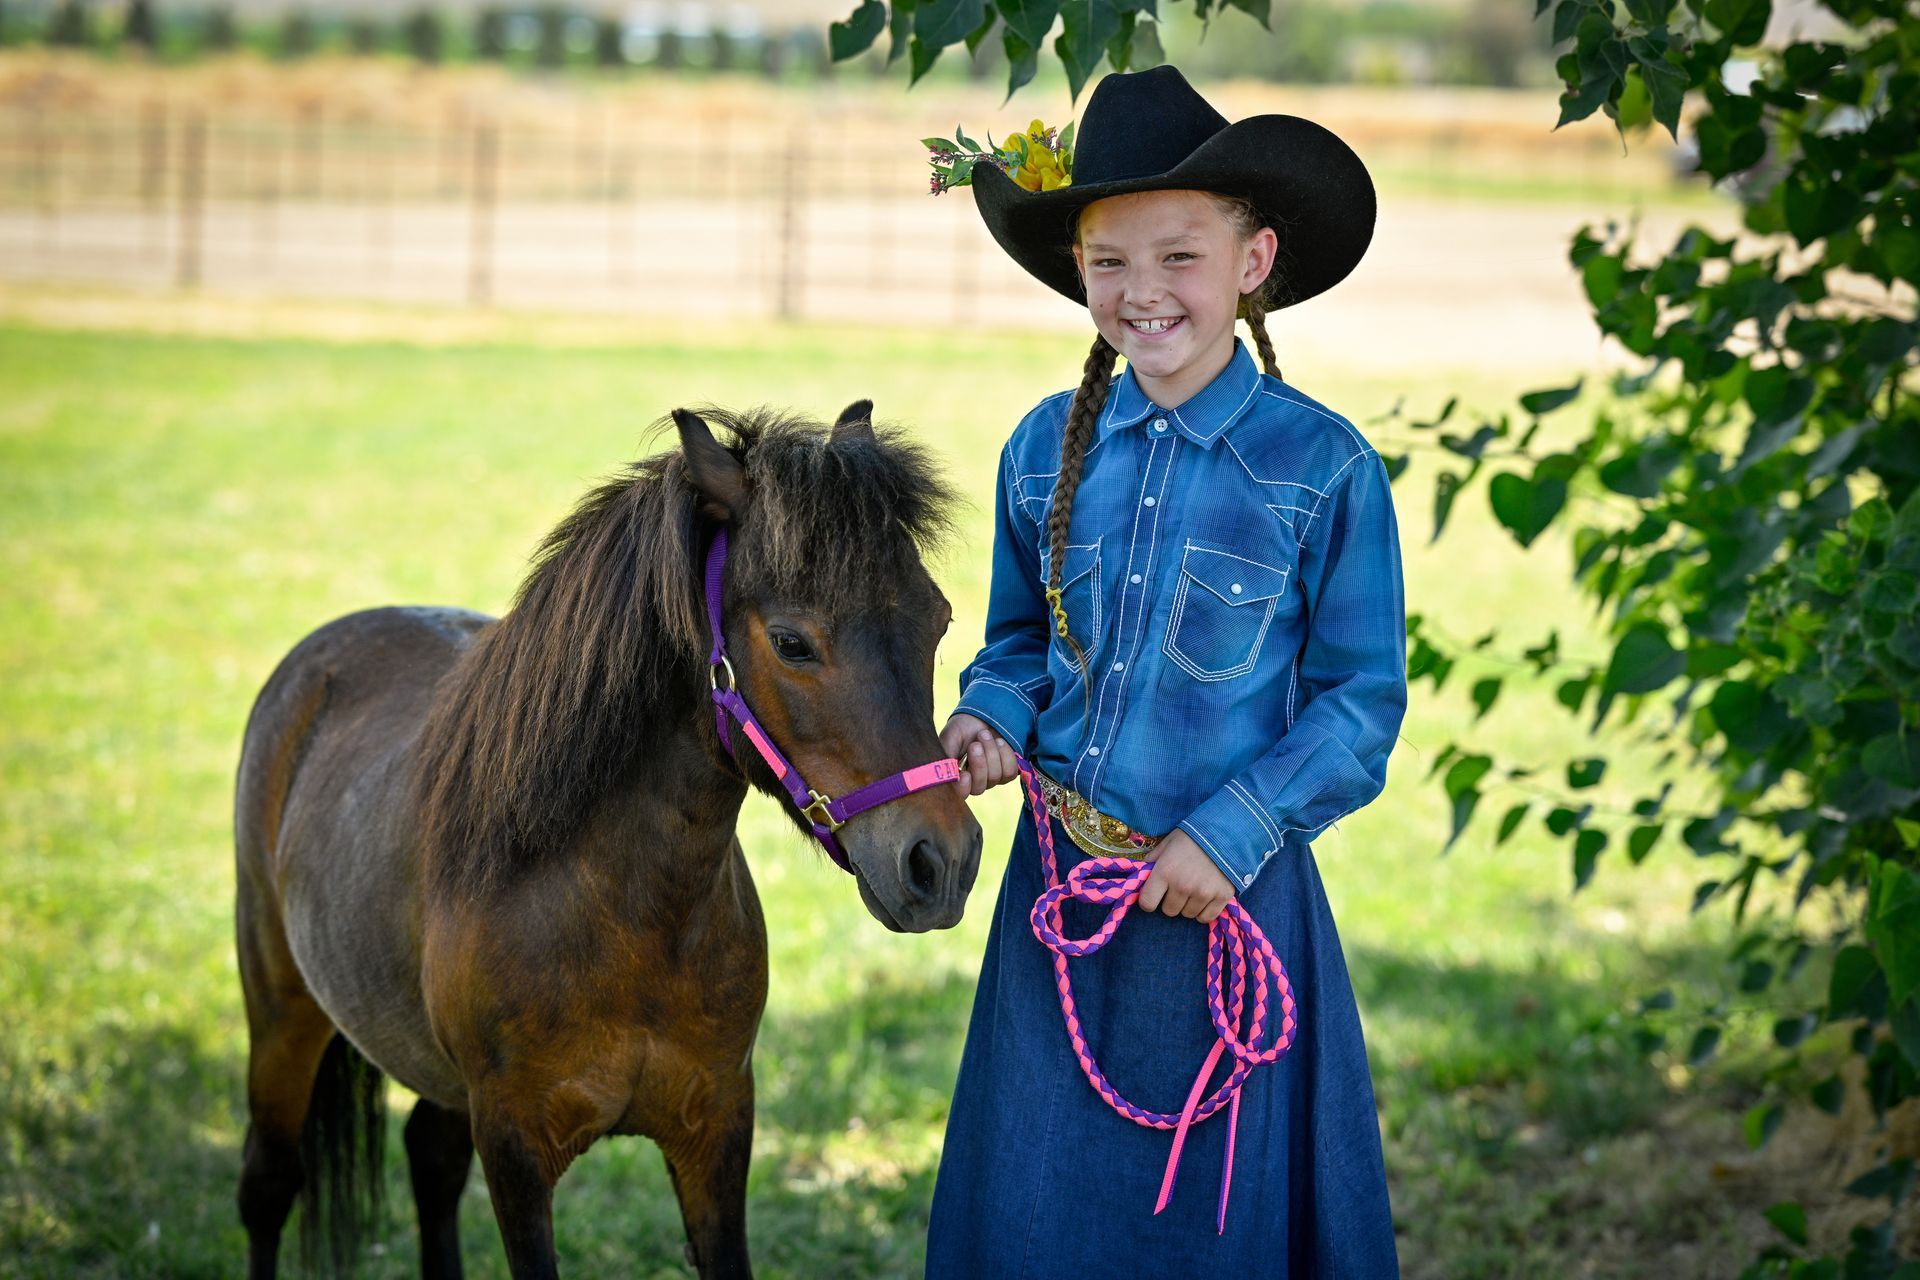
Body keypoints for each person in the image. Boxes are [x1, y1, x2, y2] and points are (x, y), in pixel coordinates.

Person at [925, 66, 1408, 1276]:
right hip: (1062, 909)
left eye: (1179, 257)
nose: (1142, 293)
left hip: (1233, 902)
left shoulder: (1324, 468)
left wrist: (1230, 830)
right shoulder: (1042, 448)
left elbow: (1360, 708)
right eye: (1108, 263)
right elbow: (1021, 641)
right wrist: (990, 717)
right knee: (1038, 1212)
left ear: (1253, 264)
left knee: (1214, 1231)